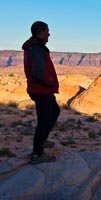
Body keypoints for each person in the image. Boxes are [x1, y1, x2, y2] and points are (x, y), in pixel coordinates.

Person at [22, 21, 60, 164]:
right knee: (43, 121)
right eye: (47, 31)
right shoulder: (36, 48)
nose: (49, 34)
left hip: (42, 89)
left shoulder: (35, 47)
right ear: (41, 32)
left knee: (54, 111)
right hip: (41, 89)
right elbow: (39, 71)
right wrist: (50, 81)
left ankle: (42, 140)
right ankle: (38, 154)